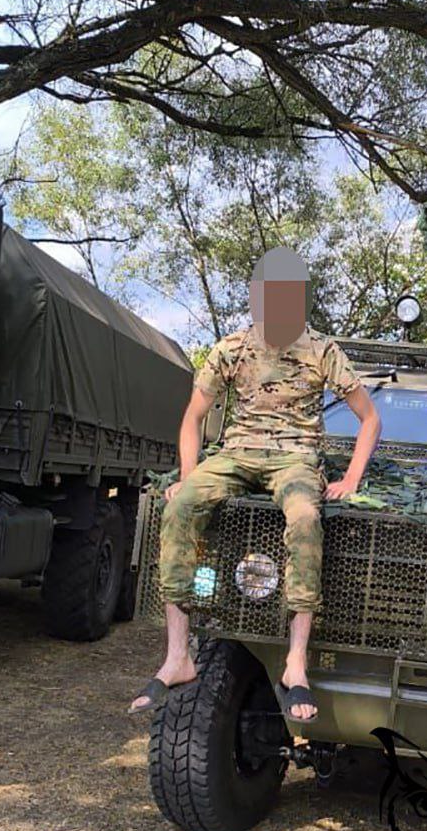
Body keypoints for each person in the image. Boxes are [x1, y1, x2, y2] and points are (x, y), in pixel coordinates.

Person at [129, 247, 381, 721]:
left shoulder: (322, 350)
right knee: (179, 507)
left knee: (306, 518)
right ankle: (178, 656)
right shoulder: (231, 348)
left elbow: (369, 419)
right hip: (236, 454)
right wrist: (187, 476)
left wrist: (350, 477)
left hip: (295, 459)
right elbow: (192, 420)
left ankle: (296, 662)